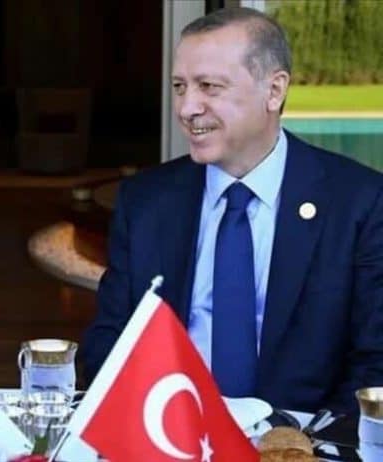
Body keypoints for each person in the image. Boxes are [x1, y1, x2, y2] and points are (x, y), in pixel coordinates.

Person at [81, 7, 383, 414]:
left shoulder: (359, 202)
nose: (187, 108)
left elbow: (374, 365)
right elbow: (108, 343)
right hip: (171, 433)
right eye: (180, 86)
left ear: (274, 91)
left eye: (209, 86)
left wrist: (296, 438)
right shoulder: (146, 201)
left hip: (302, 440)